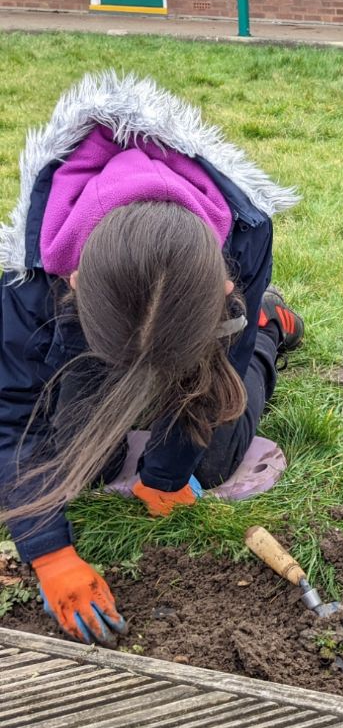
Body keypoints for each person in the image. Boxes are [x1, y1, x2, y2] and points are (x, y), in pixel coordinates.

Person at [0, 72, 304, 645]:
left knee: (210, 463)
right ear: (74, 280)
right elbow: (12, 416)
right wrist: (50, 553)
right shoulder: (30, 278)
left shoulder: (244, 234)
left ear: (223, 288)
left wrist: (166, 475)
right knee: (72, 469)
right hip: (97, 327)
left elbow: (223, 368)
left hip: (208, 321)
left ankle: (268, 325)